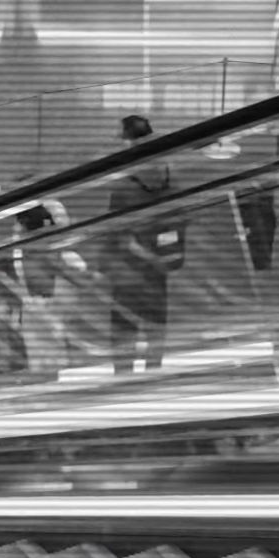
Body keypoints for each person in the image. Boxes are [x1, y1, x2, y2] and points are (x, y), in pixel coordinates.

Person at [98, 115, 178, 374]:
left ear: (130, 143)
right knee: (155, 323)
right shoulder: (169, 177)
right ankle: (152, 375)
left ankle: (123, 378)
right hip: (157, 268)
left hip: (127, 271)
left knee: (124, 327)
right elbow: (177, 220)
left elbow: (118, 235)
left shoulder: (124, 186)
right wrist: (160, 258)